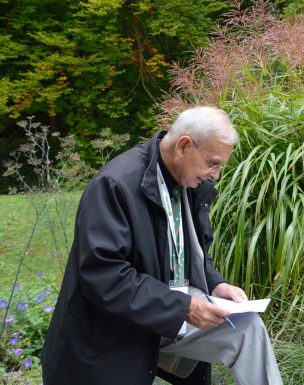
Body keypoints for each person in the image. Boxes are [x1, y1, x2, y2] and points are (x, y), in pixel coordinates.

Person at [41, 106, 282, 385]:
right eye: (213, 163)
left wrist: (215, 284)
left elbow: (193, 252)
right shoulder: (114, 184)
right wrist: (183, 308)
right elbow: (105, 278)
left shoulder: (188, 182)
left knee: (248, 327)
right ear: (183, 146)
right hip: (110, 331)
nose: (215, 174)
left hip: (168, 309)